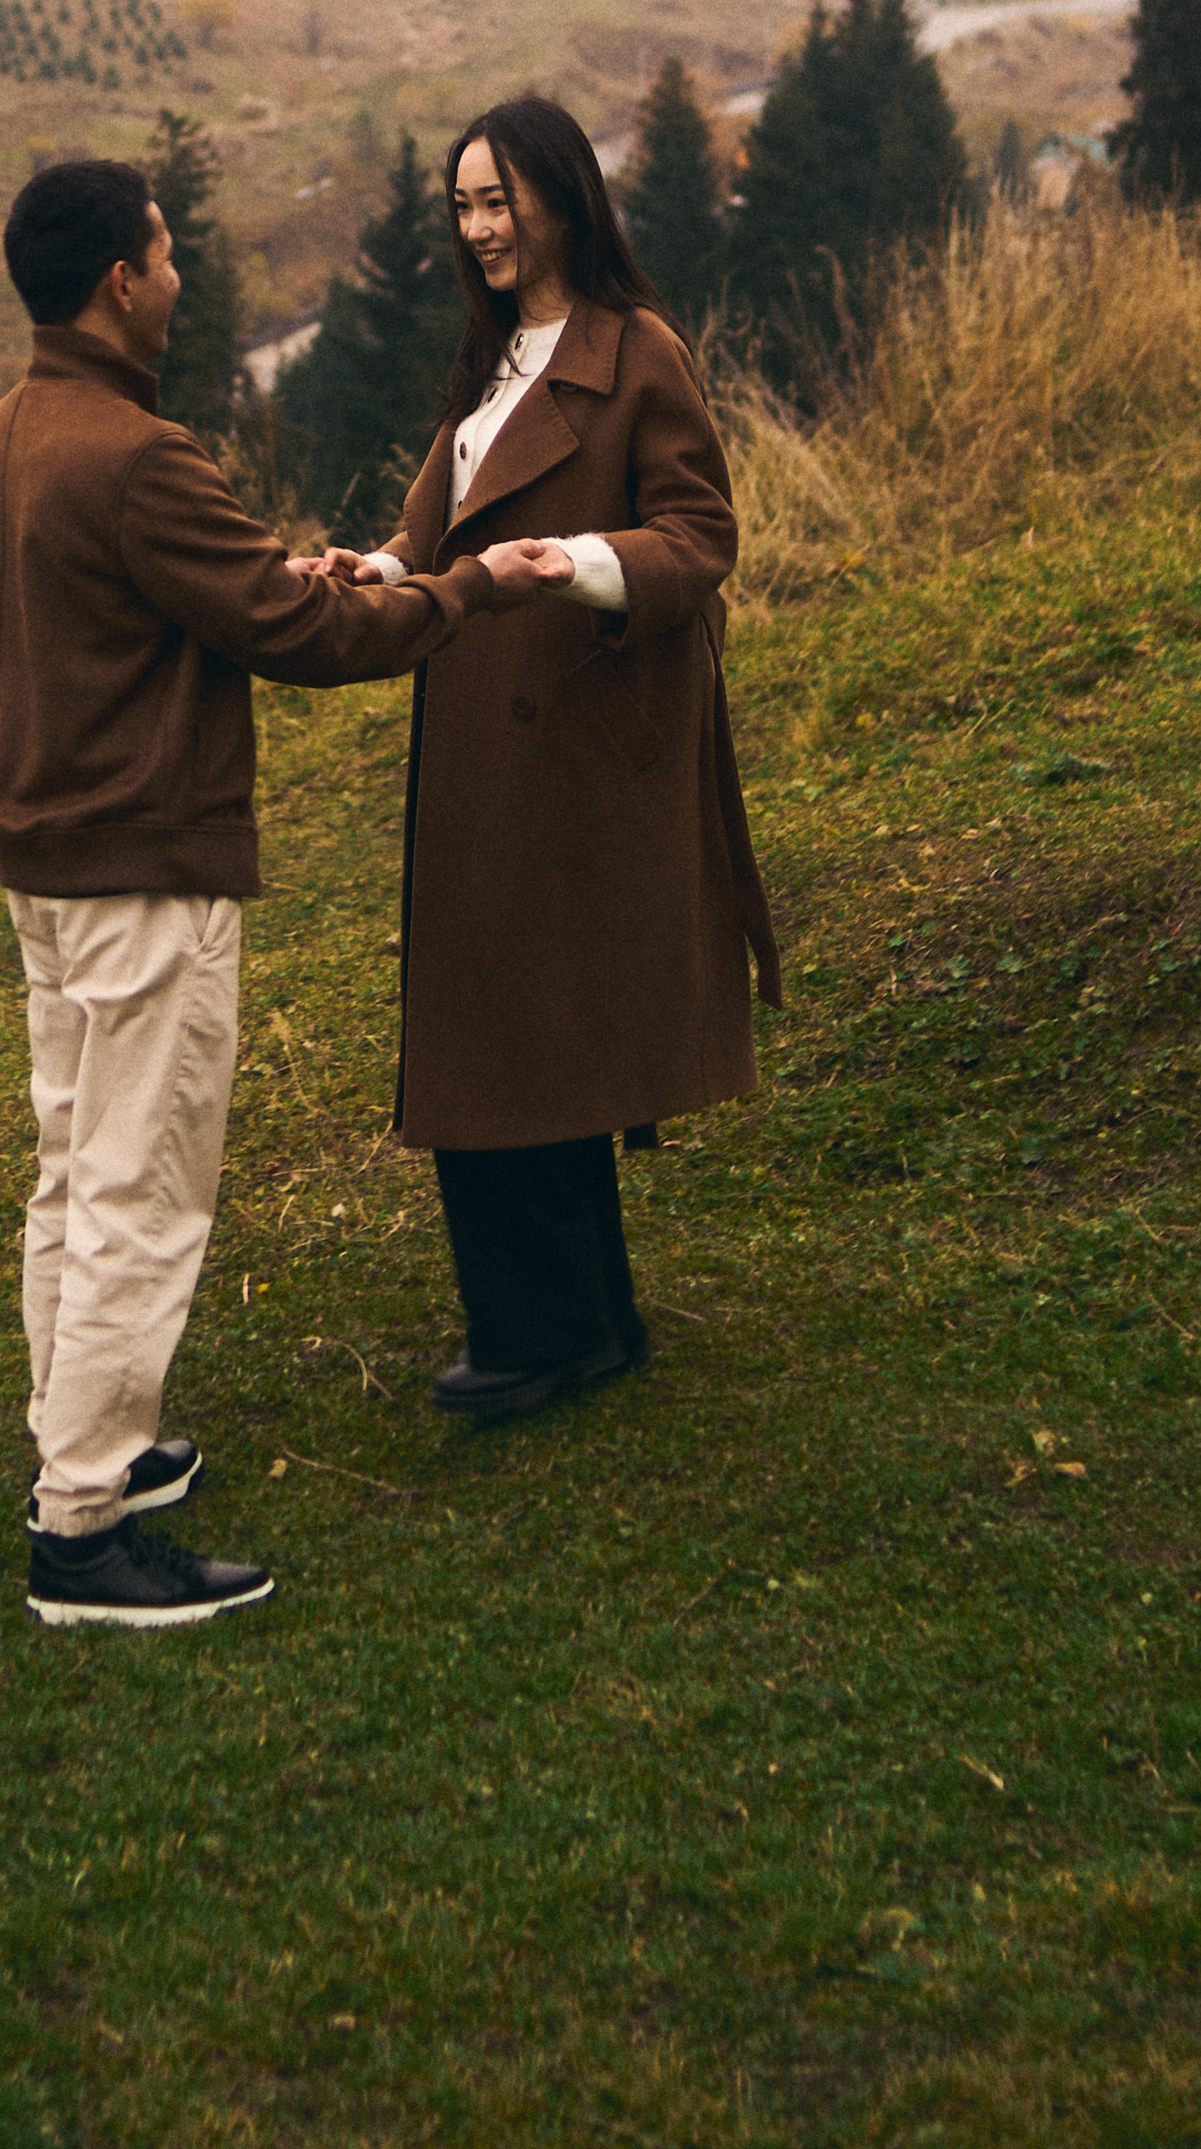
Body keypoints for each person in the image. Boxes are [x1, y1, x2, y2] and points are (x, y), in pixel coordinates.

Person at [0, 153, 544, 1627]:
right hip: (143, 866)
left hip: (47, 868)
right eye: (163, 255)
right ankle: (82, 1530)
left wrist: (297, 573)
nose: (178, 275)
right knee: (140, 1192)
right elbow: (295, 635)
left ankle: (94, 1445)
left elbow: (178, 596)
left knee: (74, 1166)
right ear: (116, 284)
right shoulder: (136, 453)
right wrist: (462, 591)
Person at [321, 92, 780, 1428]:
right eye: (461, 206)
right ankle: (569, 1323)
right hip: (482, 727)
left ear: (562, 202)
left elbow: (699, 540)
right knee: (501, 1017)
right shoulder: (490, 359)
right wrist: (383, 567)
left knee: (534, 1024)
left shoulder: (638, 353)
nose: (476, 230)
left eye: (496, 202)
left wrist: (568, 567)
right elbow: (441, 519)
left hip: (574, 738)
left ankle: (556, 1332)